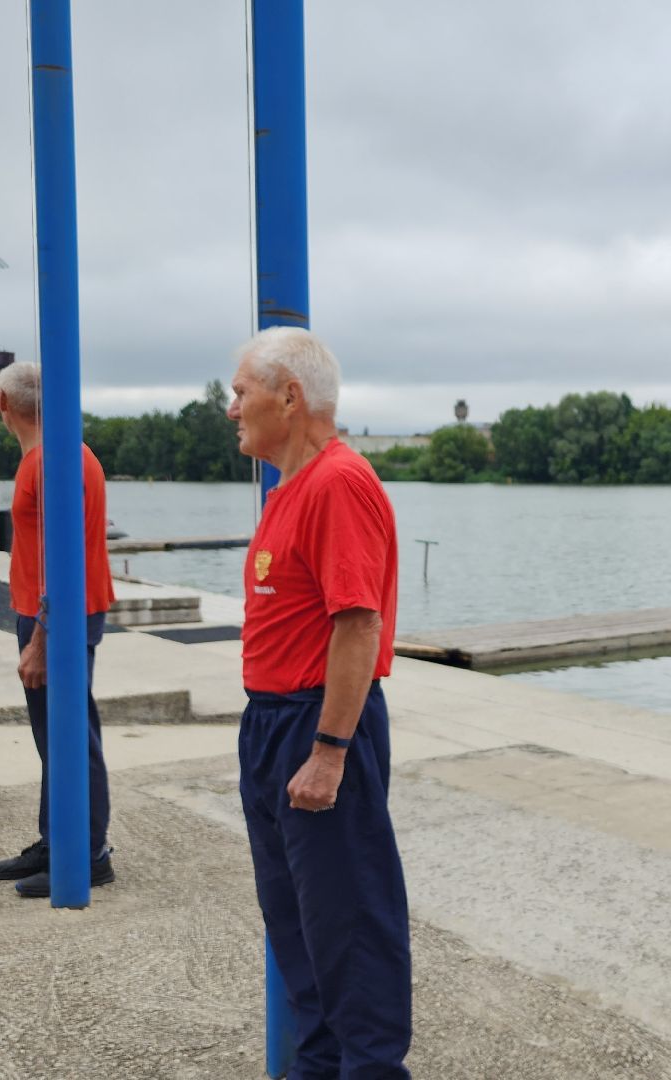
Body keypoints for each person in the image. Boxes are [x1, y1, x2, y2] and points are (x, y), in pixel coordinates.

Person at [229, 327, 410, 1077]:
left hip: (319, 724)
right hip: (274, 722)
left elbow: (358, 623)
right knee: (298, 933)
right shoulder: (288, 488)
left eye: (241, 391)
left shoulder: (338, 481)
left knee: (351, 936)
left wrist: (330, 752)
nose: (231, 407)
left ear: (289, 396)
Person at [0, 361, 118, 898]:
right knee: (53, 734)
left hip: (60, 615)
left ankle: (88, 854)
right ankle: (57, 839)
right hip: (52, 611)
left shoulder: (55, 460)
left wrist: (41, 636)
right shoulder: (52, 455)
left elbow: (67, 557)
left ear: (3, 406)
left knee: (70, 734)